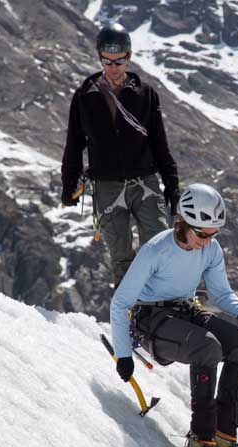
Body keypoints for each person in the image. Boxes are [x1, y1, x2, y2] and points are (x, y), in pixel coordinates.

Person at [109, 184, 238, 447]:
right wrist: (123, 355)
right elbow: (120, 303)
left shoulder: (210, 249)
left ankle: (225, 432)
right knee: (207, 348)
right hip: (149, 320)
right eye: (201, 234)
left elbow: (222, 294)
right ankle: (201, 436)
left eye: (213, 234)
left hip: (184, 311)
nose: (207, 240)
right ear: (182, 223)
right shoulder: (156, 250)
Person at [61, 22, 180, 288]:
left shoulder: (146, 94)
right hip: (106, 187)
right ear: (99, 57)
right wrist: (68, 184)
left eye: (119, 60)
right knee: (121, 256)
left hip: (145, 183)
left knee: (160, 246)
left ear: (129, 56)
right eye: (108, 61)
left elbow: (160, 144)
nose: (114, 67)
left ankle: (166, 308)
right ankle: (131, 319)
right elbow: (74, 144)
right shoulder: (84, 96)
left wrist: (172, 186)